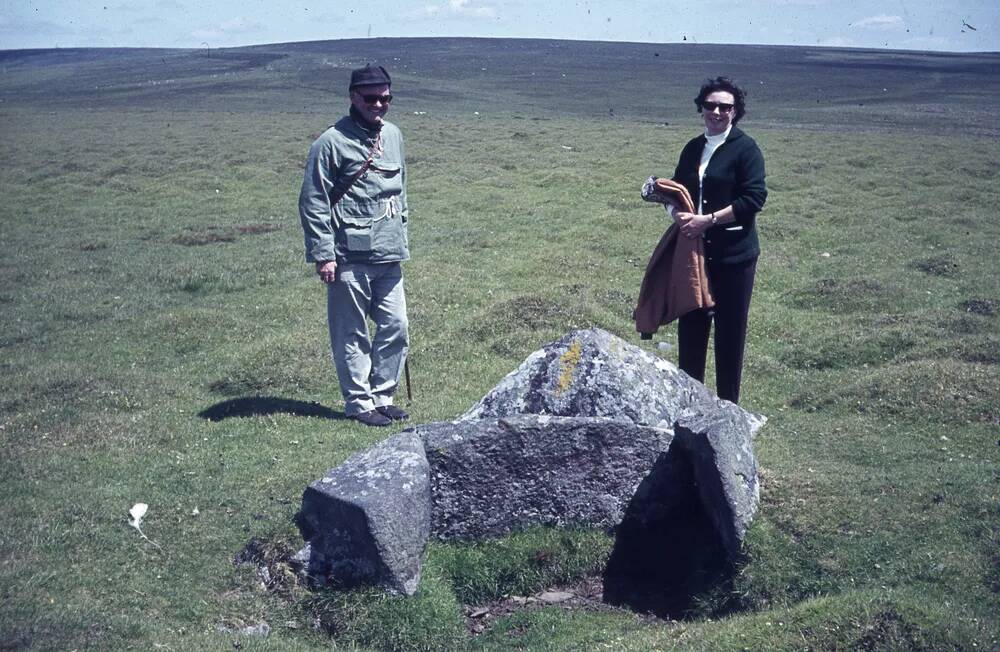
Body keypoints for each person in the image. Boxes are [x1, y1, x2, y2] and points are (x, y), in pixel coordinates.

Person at [298, 65, 410, 427]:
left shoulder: (393, 136)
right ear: (353, 97)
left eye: (385, 98)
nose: (379, 105)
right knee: (352, 332)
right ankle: (360, 403)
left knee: (396, 326)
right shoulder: (329, 143)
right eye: (371, 98)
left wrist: (402, 233)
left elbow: (401, 192)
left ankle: (383, 396)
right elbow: (314, 200)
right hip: (349, 256)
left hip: (389, 253)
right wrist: (323, 254)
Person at [666, 77, 767, 404]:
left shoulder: (746, 149)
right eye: (711, 105)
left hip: (734, 258)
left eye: (725, 107)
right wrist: (675, 214)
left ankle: (728, 414)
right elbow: (677, 189)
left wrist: (707, 221)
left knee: (730, 334)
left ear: (735, 112)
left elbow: (754, 199)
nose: (717, 112)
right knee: (691, 329)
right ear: (702, 108)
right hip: (695, 256)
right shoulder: (693, 148)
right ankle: (689, 408)